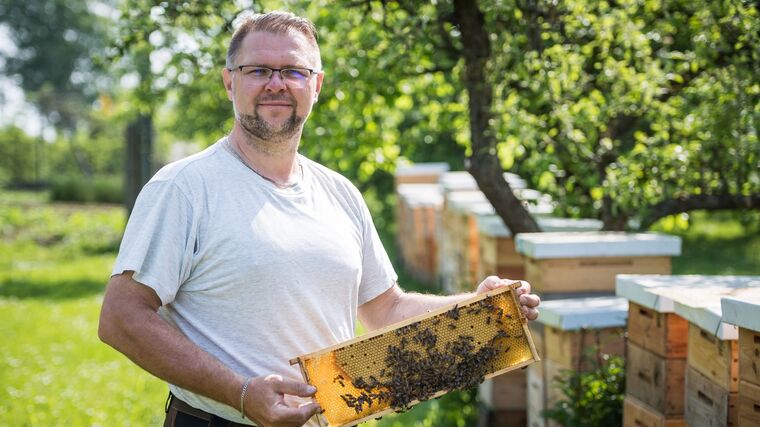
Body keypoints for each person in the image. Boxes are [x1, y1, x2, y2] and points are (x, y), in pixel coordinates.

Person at [98, 10, 541, 427]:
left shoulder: (339, 193)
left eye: (293, 71)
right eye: (258, 70)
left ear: (317, 85)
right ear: (229, 82)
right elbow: (122, 317)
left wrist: (478, 309)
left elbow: (386, 308)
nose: (276, 83)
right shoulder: (184, 188)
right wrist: (242, 392)